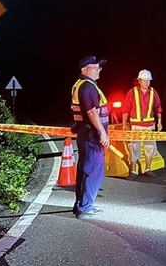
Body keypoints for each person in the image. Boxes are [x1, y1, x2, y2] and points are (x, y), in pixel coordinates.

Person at [70, 55, 110, 220]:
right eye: (94, 67)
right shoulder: (88, 87)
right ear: (84, 70)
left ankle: (80, 205)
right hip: (92, 136)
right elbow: (91, 112)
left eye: (99, 67)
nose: (98, 70)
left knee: (85, 170)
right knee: (93, 171)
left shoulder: (80, 85)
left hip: (85, 134)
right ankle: (85, 208)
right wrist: (102, 132)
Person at [122, 69, 163, 178]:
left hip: (149, 125)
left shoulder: (154, 92)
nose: (146, 83)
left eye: (148, 80)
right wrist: (124, 123)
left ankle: (148, 169)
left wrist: (159, 122)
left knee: (150, 147)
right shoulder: (132, 92)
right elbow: (126, 108)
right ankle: (133, 171)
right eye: (144, 80)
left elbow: (158, 108)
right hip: (135, 125)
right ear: (139, 80)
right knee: (134, 147)